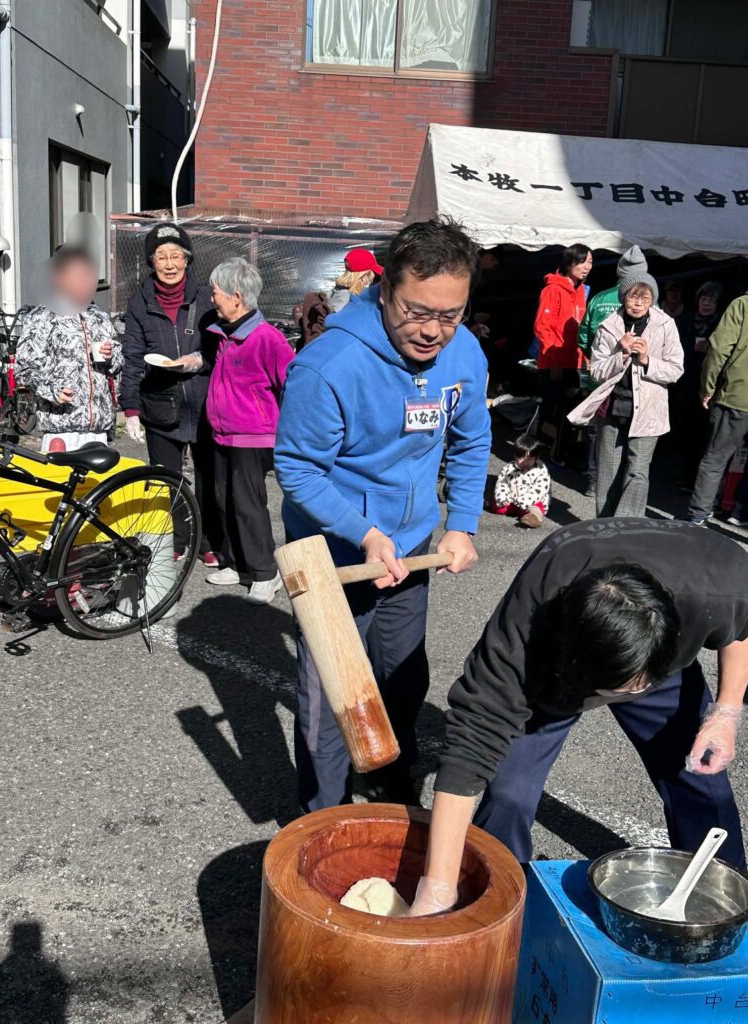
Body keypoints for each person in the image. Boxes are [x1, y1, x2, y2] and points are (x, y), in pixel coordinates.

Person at [410, 518, 747, 916]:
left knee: (701, 778)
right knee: (509, 794)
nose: (633, 693)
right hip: (554, 679)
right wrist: (437, 887)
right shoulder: (527, 629)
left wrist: (725, 712)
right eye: (623, 688)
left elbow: (742, 629)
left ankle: (726, 908)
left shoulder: (720, 580)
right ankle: (497, 906)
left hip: (656, 656)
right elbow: (469, 750)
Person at [275, 219, 491, 812]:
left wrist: (461, 523)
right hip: (336, 551)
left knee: (402, 674)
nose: (433, 331)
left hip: (411, 542)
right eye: (417, 311)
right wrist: (364, 533)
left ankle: (392, 783)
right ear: (385, 288)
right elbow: (298, 470)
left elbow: (472, 440)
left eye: (450, 315)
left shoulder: (463, 352)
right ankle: (322, 812)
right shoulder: (329, 364)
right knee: (333, 693)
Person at [120, 222, 220, 563]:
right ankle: (176, 538)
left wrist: (199, 360)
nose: (169, 264)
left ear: (187, 259)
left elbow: (222, 346)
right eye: (161, 256)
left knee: (209, 477)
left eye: (175, 255)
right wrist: (131, 408)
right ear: (152, 262)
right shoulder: (139, 302)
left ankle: (207, 540)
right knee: (167, 478)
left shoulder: (206, 297)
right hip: (160, 402)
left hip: (205, 401)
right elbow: (133, 356)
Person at [203, 258, 294, 601]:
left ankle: (265, 572)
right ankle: (237, 562)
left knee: (248, 504)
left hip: (252, 436)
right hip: (222, 433)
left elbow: (292, 386)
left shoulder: (268, 338)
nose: (212, 299)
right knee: (224, 500)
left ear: (236, 297)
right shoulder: (223, 333)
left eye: (216, 292)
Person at [569, 275, 684, 518]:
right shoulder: (609, 326)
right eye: (633, 297)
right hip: (613, 407)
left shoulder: (665, 325)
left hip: (649, 410)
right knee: (608, 470)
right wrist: (620, 353)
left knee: (637, 472)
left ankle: (627, 526)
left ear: (652, 300)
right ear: (624, 298)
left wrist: (646, 359)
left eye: (645, 298)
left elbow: (676, 370)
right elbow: (596, 371)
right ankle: (605, 524)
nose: (638, 303)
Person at [17, 245, 123, 452]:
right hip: (60, 430)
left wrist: (111, 355)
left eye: (90, 275)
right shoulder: (42, 317)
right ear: (59, 278)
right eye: (79, 276)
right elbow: (25, 370)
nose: (87, 282)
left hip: (99, 430)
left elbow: (118, 363)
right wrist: (52, 390)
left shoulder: (99, 317)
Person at [577, 245, 649, 496]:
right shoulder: (649, 301)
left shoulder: (598, 298)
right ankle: (618, 487)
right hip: (634, 381)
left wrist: (597, 359)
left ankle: (593, 480)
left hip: (600, 377)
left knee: (598, 429)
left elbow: (583, 336)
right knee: (629, 436)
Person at [688, 285, 748, 527]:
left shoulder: (742, 304)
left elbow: (719, 348)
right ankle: (741, 511)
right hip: (738, 395)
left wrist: (707, 387)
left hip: (736, 395)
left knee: (715, 458)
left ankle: (698, 516)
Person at [534, 244, 592, 464]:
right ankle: (537, 454)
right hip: (553, 362)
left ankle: (559, 455)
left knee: (569, 410)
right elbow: (542, 327)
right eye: (583, 262)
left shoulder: (581, 291)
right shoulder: (553, 289)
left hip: (573, 362)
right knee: (552, 409)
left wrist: (585, 357)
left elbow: (580, 328)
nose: (587, 267)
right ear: (570, 263)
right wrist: (555, 362)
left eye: (590, 262)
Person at [672, 282, 725, 490]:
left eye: (711, 300)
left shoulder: (722, 325)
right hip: (685, 383)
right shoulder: (686, 321)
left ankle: (698, 480)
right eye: (703, 298)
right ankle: (685, 475)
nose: (706, 303)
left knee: (704, 434)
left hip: (709, 387)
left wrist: (710, 349)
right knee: (686, 430)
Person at [298, 248, 383, 350]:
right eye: (374, 276)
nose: (373, 281)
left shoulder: (336, 291)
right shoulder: (346, 298)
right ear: (367, 275)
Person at [490, 434, 550, 528]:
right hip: (513, 500)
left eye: (530, 459)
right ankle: (492, 503)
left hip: (530, 502)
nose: (525, 462)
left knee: (537, 507)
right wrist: (503, 497)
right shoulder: (509, 468)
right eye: (521, 458)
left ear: (536, 457)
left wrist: (524, 501)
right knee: (497, 504)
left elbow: (540, 489)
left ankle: (533, 518)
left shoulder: (540, 470)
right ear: (515, 456)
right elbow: (502, 483)